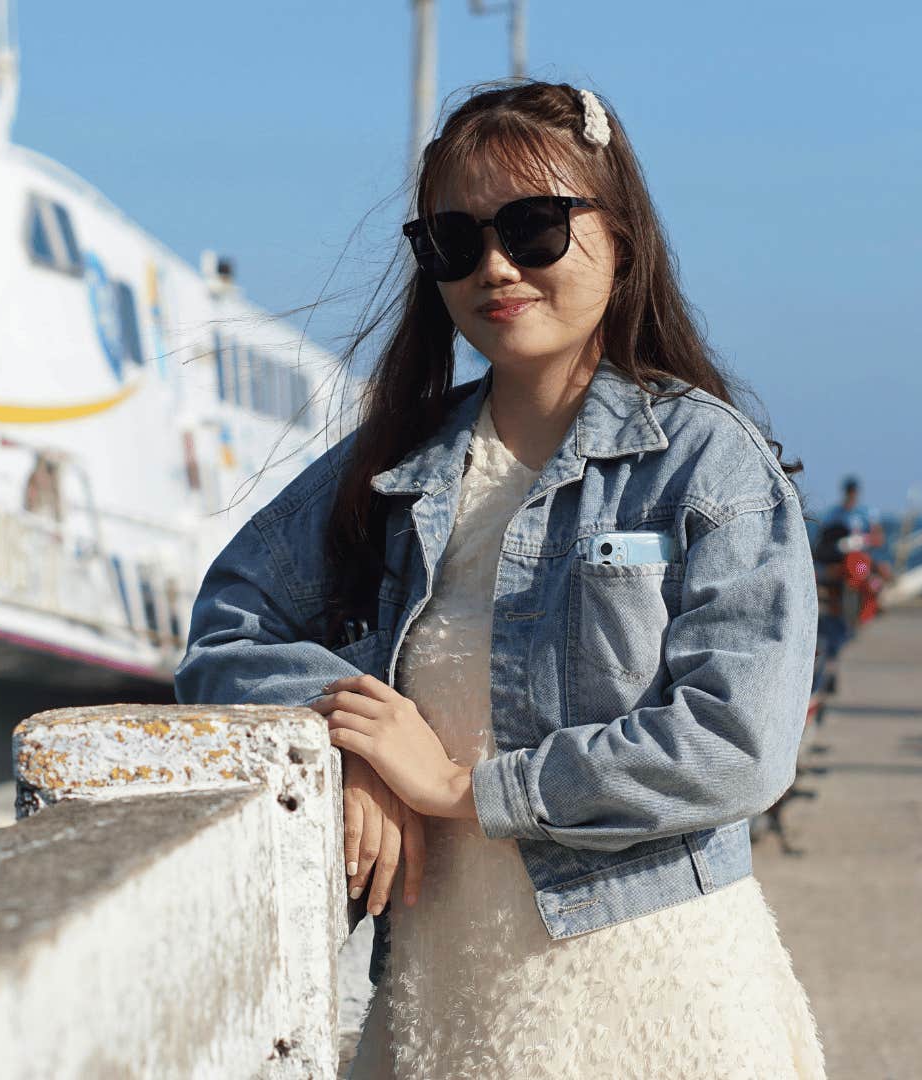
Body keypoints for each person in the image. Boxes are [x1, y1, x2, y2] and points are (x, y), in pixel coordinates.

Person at [176, 82, 824, 1077]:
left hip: (659, 1010)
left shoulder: (705, 463)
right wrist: (347, 739)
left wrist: (457, 789)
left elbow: (739, 743)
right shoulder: (399, 465)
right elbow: (228, 628)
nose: (494, 266)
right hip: (450, 1013)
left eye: (533, 228)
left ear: (623, 236)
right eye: (454, 239)